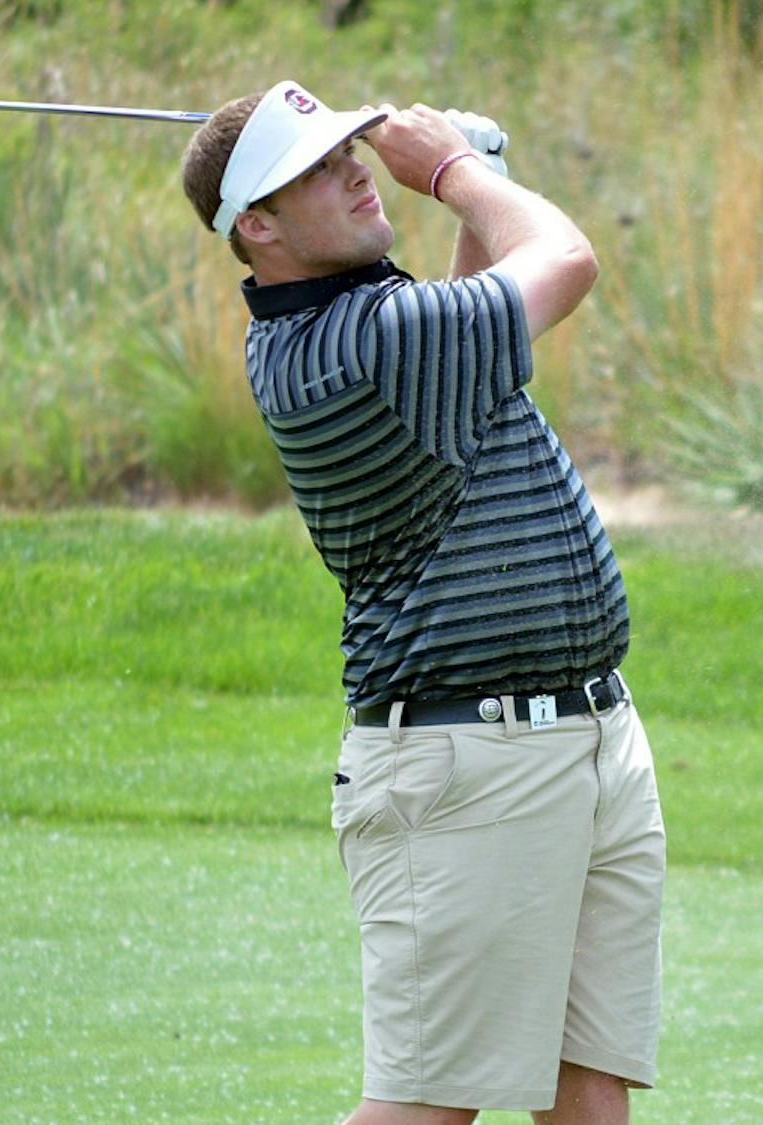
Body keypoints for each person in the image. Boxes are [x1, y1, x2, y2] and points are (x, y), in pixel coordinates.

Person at [180, 80, 666, 1125]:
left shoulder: (375, 323)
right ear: (256, 227)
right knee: (426, 1108)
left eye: (354, 149)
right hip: (470, 768)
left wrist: (466, 196)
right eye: (315, 171)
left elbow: (471, 345)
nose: (356, 171)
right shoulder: (364, 347)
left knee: (586, 1088)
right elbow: (570, 258)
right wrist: (458, 172)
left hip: (580, 739)